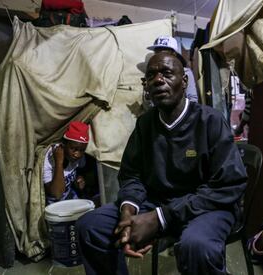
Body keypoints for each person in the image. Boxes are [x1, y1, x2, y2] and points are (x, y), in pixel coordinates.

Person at [76, 52, 247, 275]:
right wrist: (128, 211)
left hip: (207, 206)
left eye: (167, 73)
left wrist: (160, 218)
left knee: (197, 246)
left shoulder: (210, 121)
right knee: (90, 227)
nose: (158, 80)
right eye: (151, 75)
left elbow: (228, 185)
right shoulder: (145, 124)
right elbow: (131, 175)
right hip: (157, 202)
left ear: (184, 82)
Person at [43, 121, 89, 205]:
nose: (78, 154)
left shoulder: (77, 156)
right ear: (64, 144)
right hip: (54, 207)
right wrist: (59, 163)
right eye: (73, 149)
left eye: (82, 150)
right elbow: (56, 194)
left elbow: (74, 172)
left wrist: (77, 180)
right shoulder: (49, 159)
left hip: (71, 198)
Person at [147, 35, 199, 103]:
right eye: (156, 53)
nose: (159, 56)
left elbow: (192, 99)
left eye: (163, 53)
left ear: (173, 54)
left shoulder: (185, 72)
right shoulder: (151, 75)